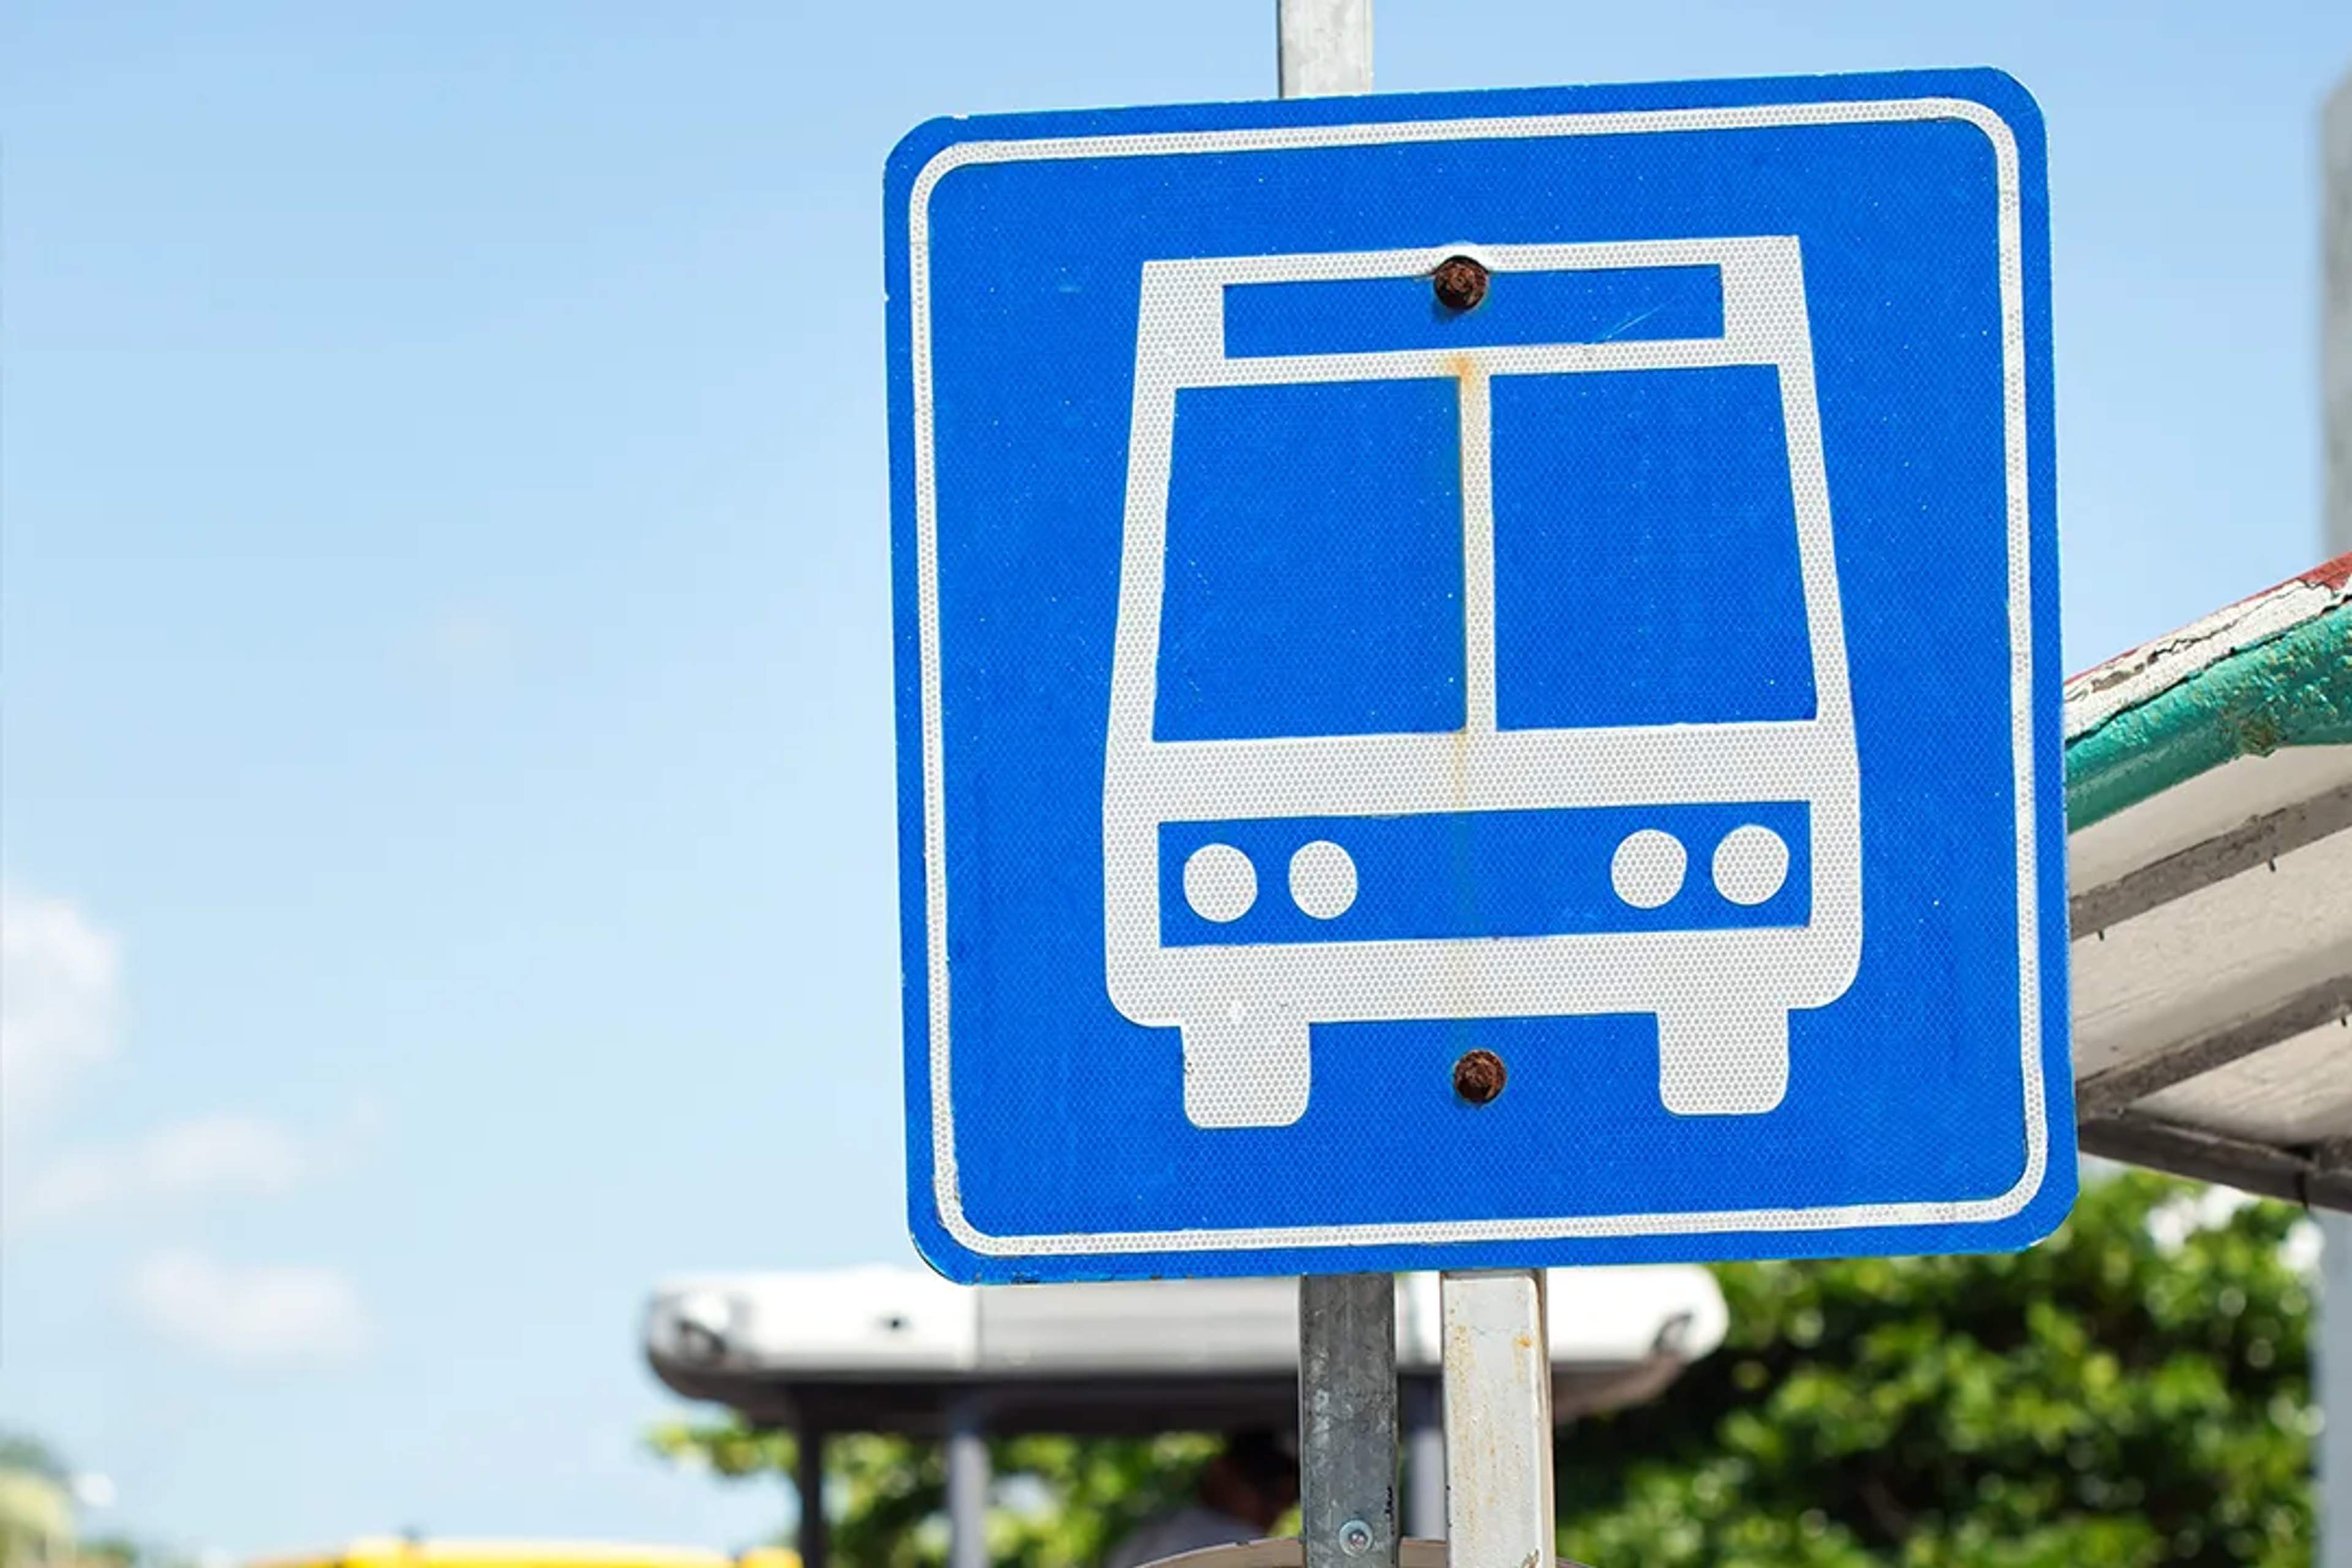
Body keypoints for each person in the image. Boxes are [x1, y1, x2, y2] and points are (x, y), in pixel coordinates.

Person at [1102, 1431, 1300, 1568]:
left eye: (1288, 1499)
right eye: (1266, 1492)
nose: (1275, 1509)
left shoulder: (1149, 1535)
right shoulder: (1238, 1542)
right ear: (1222, 1472)